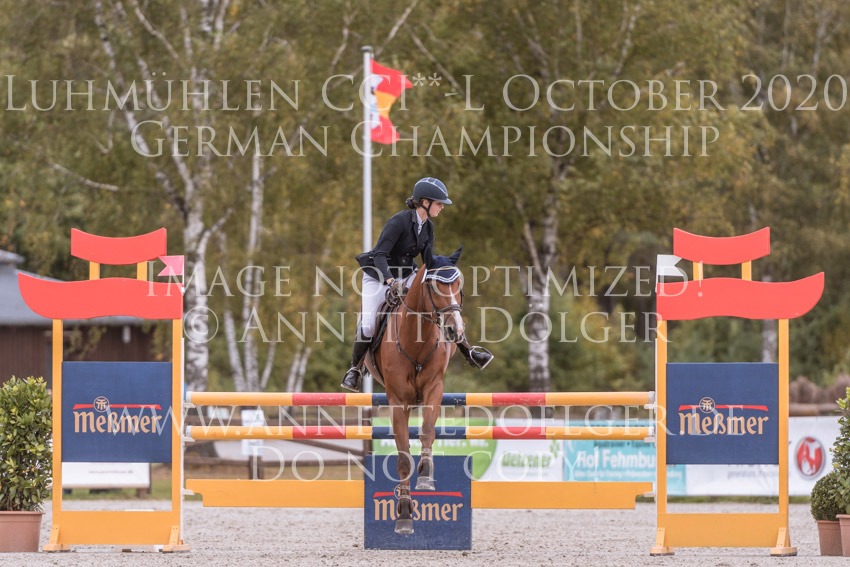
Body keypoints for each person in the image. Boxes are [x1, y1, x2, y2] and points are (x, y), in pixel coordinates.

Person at [341, 177, 494, 392]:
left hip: (407, 274)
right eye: (439, 203)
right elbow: (379, 255)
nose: (442, 207)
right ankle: (355, 369)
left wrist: (444, 268)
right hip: (378, 276)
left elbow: (427, 260)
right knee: (368, 325)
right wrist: (391, 282)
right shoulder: (398, 222)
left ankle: (467, 350)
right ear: (425, 202)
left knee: (439, 301)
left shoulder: (428, 227)